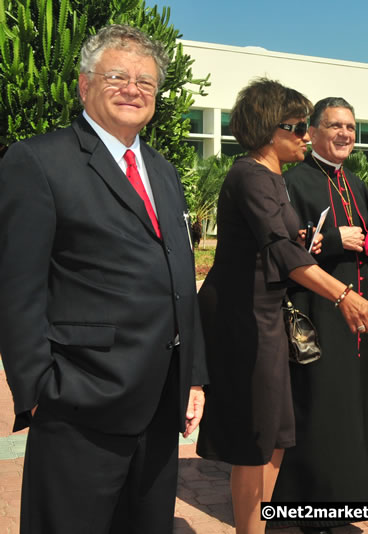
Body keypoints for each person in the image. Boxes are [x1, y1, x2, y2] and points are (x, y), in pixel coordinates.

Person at [0, 24, 207, 533]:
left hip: (161, 403)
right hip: (80, 402)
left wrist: (194, 374)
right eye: (117, 76)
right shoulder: (38, 161)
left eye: (146, 82)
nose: (132, 89)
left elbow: (181, 278)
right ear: (83, 84)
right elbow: (16, 286)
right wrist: (37, 387)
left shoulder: (162, 170)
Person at [195, 79, 368, 534]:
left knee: (276, 436)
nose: (304, 134)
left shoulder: (274, 178)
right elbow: (281, 252)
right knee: (255, 443)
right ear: (268, 128)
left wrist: (312, 241)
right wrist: (343, 294)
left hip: (270, 321)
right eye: (298, 126)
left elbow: (287, 242)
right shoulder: (250, 175)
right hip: (247, 323)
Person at [269, 97, 368, 532]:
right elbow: (287, 249)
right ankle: (311, 506)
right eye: (336, 126)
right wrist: (336, 240)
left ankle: (347, 501)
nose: (346, 135)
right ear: (314, 131)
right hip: (318, 315)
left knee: (353, 409)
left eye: (352, 128)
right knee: (319, 408)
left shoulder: (355, 183)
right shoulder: (293, 182)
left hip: (355, 321)